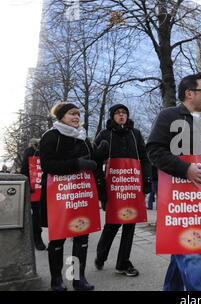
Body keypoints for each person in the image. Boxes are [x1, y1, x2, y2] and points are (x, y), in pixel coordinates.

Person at [146, 72, 201, 291]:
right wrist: (185, 168)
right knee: (191, 253)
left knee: (182, 249)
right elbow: (154, 151)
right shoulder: (168, 116)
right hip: (178, 199)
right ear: (189, 93)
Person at [40, 102, 102, 291]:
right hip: (57, 197)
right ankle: (57, 280)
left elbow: (92, 162)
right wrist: (76, 164)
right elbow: (48, 165)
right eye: (71, 114)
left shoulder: (83, 137)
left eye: (77, 114)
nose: (76, 117)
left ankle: (77, 278)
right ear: (61, 117)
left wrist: (99, 155)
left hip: (81, 194)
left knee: (81, 236)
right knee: (58, 238)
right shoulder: (51, 136)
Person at [94, 104, 151, 276]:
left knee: (130, 225)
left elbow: (144, 157)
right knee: (112, 224)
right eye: (118, 113)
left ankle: (123, 263)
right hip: (112, 187)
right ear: (112, 116)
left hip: (132, 185)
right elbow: (96, 161)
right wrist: (100, 185)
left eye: (124, 113)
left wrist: (146, 179)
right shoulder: (104, 135)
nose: (121, 115)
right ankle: (101, 256)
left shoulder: (135, 134)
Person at [20, 138, 46, 250]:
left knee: (49, 214)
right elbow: (24, 170)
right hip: (35, 188)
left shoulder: (49, 151)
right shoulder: (30, 151)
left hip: (47, 187)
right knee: (37, 214)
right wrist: (29, 185)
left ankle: (55, 240)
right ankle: (37, 238)